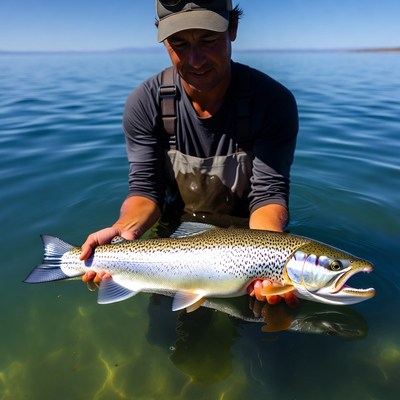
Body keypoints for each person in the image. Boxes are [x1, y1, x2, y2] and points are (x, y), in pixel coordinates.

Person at [80, 0, 299, 306]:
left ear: (232, 28)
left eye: (208, 40)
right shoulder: (145, 103)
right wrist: (123, 230)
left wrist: (268, 262)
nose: (195, 60)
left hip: (251, 233)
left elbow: (268, 194)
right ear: (161, 36)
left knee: (266, 338)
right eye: (179, 44)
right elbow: (146, 189)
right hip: (174, 239)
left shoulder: (273, 102)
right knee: (171, 345)